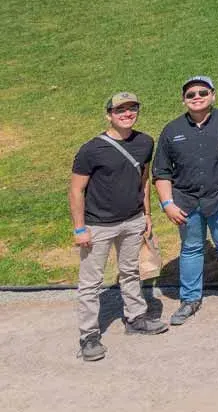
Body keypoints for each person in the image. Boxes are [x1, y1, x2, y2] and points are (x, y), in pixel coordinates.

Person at [72, 92, 169, 359]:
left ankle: (136, 318)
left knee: (130, 271)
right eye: (120, 110)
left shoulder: (145, 142)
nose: (126, 114)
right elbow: (76, 190)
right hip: (98, 225)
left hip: (133, 219)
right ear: (109, 115)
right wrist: (80, 228)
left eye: (132, 109)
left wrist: (147, 214)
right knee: (91, 282)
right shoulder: (91, 149)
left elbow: (144, 179)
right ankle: (89, 336)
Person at [154, 77, 218, 326]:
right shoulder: (171, 130)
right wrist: (167, 204)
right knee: (191, 249)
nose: (197, 97)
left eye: (202, 92)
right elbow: (161, 172)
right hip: (185, 202)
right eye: (190, 94)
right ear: (183, 100)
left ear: (213, 95)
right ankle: (189, 299)